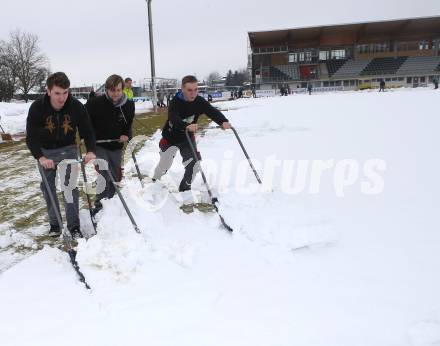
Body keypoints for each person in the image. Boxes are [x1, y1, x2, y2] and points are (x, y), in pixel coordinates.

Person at [26, 72, 96, 238]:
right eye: (57, 93)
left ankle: (74, 227)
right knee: (48, 188)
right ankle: (55, 224)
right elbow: (31, 137)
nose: (62, 98)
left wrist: (91, 150)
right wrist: (40, 157)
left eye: (65, 93)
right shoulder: (37, 108)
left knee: (70, 188)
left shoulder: (76, 106)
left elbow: (87, 130)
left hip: (68, 149)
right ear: (49, 91)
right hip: (45, 152)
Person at [153, 75, 231, 192]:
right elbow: (174, 118)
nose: (193, 94)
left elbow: (212, 111)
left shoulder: (199, 101)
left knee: (194, 164)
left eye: (196, 90)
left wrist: (223, 121)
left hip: (187, 139)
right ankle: (155, 180)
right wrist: (186, 126)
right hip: (170, 138)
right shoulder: (175, 102)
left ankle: (185, 190)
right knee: (165, 164)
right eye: (189, 90)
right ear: (182, 89)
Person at [85, 74, 135, 215]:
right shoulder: (95, 103)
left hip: (116, 145)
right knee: (104, 174)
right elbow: (85, 121)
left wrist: (126, 134)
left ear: (122, 89)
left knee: (115, 176)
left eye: (118, 90)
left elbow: (128, 123)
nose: (116, 93)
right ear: (107, 89)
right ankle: (99, 205)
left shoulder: (128, 105)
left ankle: (112, 203)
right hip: (99, 144)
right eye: (112, 90)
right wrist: (87, 137)